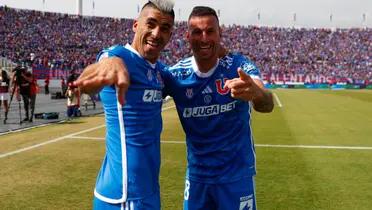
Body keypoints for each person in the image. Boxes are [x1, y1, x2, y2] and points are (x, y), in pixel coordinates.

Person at [160, 6, 273, 210]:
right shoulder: (175, 75)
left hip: (236, 177)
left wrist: (256, 93)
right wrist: (110, 57)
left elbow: (267, 103)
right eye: (197, 32)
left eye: (210, 31)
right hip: (197, 178)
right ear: (187, 36)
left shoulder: (238, 66)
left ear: (219, 34)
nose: (204, 38)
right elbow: (144, 78)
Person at [76, 0, 175, 209]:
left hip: (148, 191)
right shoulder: (118, 56)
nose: (157, 33)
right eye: (151, 24)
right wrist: (110, 64)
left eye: (164, 28)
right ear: (136, 25)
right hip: (123, 195)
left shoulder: (160, 72)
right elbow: (89, 81)